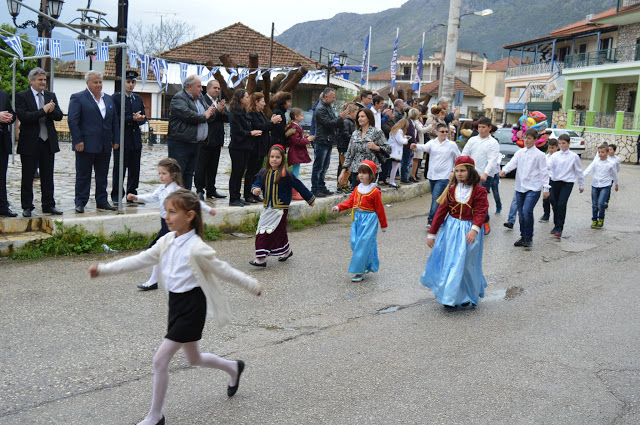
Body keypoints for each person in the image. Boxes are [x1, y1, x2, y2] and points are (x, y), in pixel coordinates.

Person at [89, 189, 261, 425]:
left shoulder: (197, 247)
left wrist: (252, 284)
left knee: (160, 359)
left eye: (172, 212)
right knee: (194, 358)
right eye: (166, 211)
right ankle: (233, 367)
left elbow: (225, 270)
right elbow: (140, 259)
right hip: (177, 305)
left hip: (192, 308)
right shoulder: (167, 240)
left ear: (190, 215)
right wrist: (104, 269)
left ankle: (155, 416)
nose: (166, 216)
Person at [127, 158, 216, 291]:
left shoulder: (177, 190)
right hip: (165, 222)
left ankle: (155, 281)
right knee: (169, 250)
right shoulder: (162, 188)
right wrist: (137, 197)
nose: (161, 176)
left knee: (158, 248)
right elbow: (153, 197)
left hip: (174, 224)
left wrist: (209, 209)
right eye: (159, 173)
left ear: (173, 175)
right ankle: (183, 275)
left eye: (164, 174)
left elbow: (194, 200)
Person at [420, 155, 489, 308]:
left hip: (468, 230)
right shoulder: (451, 190)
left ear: (470, 171)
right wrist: (432, 233)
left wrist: (475, 229)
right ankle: (449, 297)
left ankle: (465, 295)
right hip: (450, 230)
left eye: (462, 170)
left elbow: (481, 210)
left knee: (466, 264)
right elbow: (440, 212)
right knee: (451, 262)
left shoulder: (479, 191)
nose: (459, 174)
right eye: (456, 171)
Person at [249, 144, 315, 267]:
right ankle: (286, 251)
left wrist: (310, 199)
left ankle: (261, 259)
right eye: (272, 157)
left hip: (280, 209)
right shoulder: (263, 172)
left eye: (277, 157)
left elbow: (299, 185)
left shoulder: (286, 174)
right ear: (268, 158)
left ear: (282, 159)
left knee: (265, 231)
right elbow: (256, 184)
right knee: (278, 231)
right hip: (268, 208)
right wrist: (255, 190)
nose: (274, 159)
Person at [68, 70, 120, 213]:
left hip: (104, 145)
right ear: (88, 83)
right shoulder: (78, 98)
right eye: (95, 82)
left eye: (100, 82)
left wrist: (116, 139)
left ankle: (102, 200)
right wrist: (77, 140)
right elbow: (73, 121)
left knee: (102, 175)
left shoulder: (108, 99)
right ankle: (80, 201)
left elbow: (114, 121)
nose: (98, 85)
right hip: (85, 144)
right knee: (83, 174)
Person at [15, 67, 63, 217]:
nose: (43, 82)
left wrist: (52, 110)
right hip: (30, 142)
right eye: (40, 80)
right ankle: (27, 206)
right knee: (28, 175)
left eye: (44, 80)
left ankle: (48, 205)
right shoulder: (22, 96)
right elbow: (24, 117)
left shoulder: (50, 95)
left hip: (47, 142)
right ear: (32, 81)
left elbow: (59, 115)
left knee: (48, 176)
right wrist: (43, 110)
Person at [332, 160, 387, 282]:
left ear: (371, 175)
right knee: (355, 243)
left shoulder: (375, 191)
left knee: (362, 244)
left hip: (369, 220)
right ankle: (368, 264)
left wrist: (383, 225)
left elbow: (380, 209)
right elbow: (350, 202)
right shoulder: (357, 189)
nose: (361, 175)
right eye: (360, 172)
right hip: (357, 219)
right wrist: (339, 207)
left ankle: (359, 271)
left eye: (365, 173)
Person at [499, 129, 550, 248]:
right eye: (525, 138)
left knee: (527, 211)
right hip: (520, 187)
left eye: (529, 138)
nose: (526, 140)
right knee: (521, 213)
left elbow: (544, 172)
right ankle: (523, 236)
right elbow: (512, 163)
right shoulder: (520, 153)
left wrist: (546, 189)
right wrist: (504, 170)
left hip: (533, 188)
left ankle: (529, 237)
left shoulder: (540, 155)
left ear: (535, 140)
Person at [167, 74, 215, 190]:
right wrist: (205, 115)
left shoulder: (200, 99)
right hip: (180, 143)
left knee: (189, 174)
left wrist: (215, 111)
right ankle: (176, 202)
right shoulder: (179, 98)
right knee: (178, 174)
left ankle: (185, 200)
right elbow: (188, 115)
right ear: (189, 86)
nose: (201, 89)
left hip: (195, 143)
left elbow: (209, 115)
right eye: (199, 86)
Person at [411, 123, 461, 226]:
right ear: (437, 132)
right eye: (442, 131)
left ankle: (431, 220)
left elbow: (459, 158)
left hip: (444, 176)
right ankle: (441, 218)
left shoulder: (451, 144)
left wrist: (454, 171)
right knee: (438, 199)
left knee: (436, 198)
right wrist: (415, 146)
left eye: (446, 132)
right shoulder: (432, 143)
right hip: (432, 175)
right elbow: (423, 147)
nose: (444, 133)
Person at [111, 70, 147, 206]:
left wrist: (140, 119)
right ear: (123, 83)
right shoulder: (116, 98)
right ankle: (116, 194)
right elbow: (115, 118)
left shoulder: (137, 98)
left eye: (133, 82)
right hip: (122, 138)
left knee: (134, 168)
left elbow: (144, 117)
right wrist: (131, 118)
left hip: (135, 139)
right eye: (128, 82)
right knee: (120, 168)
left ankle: (132, 194)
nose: (131, 85)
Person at [462, 116, 500, 235]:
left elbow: (492, 160)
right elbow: (465, 154)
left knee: (480, 201)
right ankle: (471, 222)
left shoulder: (493, 143)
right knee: (468, 199)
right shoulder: (472, 140)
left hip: (485, 176)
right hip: (470, 174)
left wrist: (485, 173)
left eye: (483, 127)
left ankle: (485, 222)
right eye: (479, 127)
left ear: (489, 128)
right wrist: (457, 169)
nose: (481, 129)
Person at [338, 108, 390, 188]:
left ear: (369, 118)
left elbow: (388, 149)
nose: (359, 119)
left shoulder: (377, 132)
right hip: (357, 170)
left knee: (369, 196)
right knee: (357, 195)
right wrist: (343, 171)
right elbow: (349, 153)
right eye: (358, 117)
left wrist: (376, 147)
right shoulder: (355, 133)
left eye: (362, 116)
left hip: (371, 170)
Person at [228, 89, 262, 207]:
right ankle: (233, 198)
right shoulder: (234, 113)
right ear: (240, 99)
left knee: (241, 171)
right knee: (236, 172)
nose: (248, 99)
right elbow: (238, 131)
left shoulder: (244, 112)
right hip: (237, 147)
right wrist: (251, 133)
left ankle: (238, 196)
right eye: (246, 97)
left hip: (246, 147)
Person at [312, 88, 347, 197]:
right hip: (321, 140)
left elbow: (333, 121)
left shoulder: (328, 107)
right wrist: (340, 118)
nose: (334, 99)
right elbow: (328, 123)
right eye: (333, 97)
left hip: (328, 140)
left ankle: (321, 186)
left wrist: (340, 119)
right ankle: (315, 188)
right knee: (318, 166)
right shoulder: (321, 108)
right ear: (326, 97)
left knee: (325, 166)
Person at [195, 80, 227, 200]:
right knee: (201, 166)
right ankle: (199, 189)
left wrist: (222, 111)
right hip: (205, 139)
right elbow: (207, 118)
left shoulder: (219, 102)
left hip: (217, 139)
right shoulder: (203, 101)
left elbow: (227, 117)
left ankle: (211, 189)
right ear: (208, 89)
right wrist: (218, 111)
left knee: (213, 166)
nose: (217, 91)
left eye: (218, 88)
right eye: (215, 88)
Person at [547, 135, 584, 237]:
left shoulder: (574, 156)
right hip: (555, 182)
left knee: (561, 204)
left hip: (567, 183)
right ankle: (555, 225)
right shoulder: (555, 156)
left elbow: (579, 171)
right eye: (560, 143)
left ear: (568, 143)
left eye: (564, 143)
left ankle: (560, 227)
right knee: (554, 203)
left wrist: (581, 184)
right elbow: (548, 166)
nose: (562, 145)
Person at [247, 92, 281, 204]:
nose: (264, 103)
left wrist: (272, 121)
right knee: (251, 171)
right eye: (262, 101)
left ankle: (255, 193)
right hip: (255, 147)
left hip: (262, 147)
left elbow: (266, 125)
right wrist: (272, 122)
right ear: (256, 102)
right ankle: (248, 194)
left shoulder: (260, 113)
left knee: (258, 172)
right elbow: (261, 127)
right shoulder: (252, 114)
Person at [583, 143, 618, 229]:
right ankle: (594, 220)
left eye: (602, 152)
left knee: (601, 203)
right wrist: (580, 177)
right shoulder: (596, 162)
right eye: (599, 152)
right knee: (594, 204)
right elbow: (588, 170)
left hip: (605, 186)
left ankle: (601, 219)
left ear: (607, 153)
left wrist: (616, 184)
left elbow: (615, 175)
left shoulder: (611, 163)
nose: (600, 154)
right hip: (595, 185)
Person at [286, 108, 315, 200]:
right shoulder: (295, 128)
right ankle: (293, 192)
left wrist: (306, 138)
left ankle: (293, 191)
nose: (303, 117)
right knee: (295, 173)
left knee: (296, 171)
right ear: (296, 117)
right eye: (301, 115)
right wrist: (307, 140)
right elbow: (297, 141)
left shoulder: (297, 126)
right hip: (295, 152)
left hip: (296, 152)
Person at [0, 85, 17, 217]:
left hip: (2, 142)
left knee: (2, 176)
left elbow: (11, 112)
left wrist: (9, 116)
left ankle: (3, 207)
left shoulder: (4, 94)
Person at [337, 103, 358, 193]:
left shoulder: (351, 122)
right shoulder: (346, 122)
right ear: (352, 112)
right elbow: (345, 134)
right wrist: (354, 138)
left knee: (348, 169)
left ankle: (344, 185)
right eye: (357, 113)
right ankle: (341, 186)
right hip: (344, 148)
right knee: (346, 168)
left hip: (347, 147)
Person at [539, 138, 559, 223]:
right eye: (549, 147)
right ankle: (546, 214)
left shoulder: (558, 157)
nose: (551, 150)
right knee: (545, 198)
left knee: (553, 199)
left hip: (554, 180)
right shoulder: (545, 157)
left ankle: (556, 215)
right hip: (546, 179)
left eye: (553, 148)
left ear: (557, 148)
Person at [387, 118, 409, 189]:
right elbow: (400, 141)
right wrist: (406, 140)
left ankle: (391, 181)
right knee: (395, 167)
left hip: (392, 150)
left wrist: (404, 137)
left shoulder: (394, 130)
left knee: (393, 166)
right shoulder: (399, 131)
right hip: (396, 151)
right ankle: (392, 181)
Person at [410, 108, 429, 182]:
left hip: (419, 142)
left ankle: (414, 174)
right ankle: (412, 175)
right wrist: (430, 126)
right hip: (418, 142)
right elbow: (421, 130)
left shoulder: (417, 122)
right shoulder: (416, 122)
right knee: (415, 159)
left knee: (416, 159)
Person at [604, 143, 621, 209]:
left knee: (608, 189)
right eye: (608, 149)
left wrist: (615, 175)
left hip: (611, 177)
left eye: (610, 150)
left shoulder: (617, 159)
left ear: (614, 151)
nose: (609, 151)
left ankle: (606, 201)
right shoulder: (605, 157)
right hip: (604, 175)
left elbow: (618, 168)